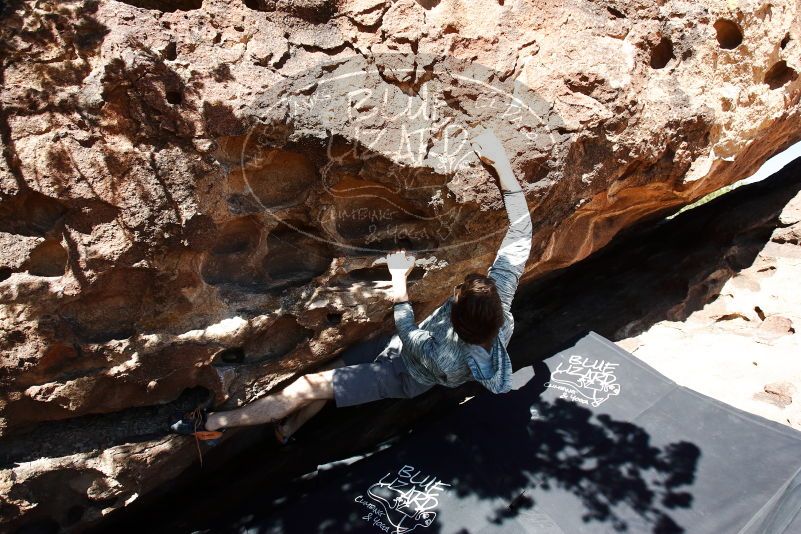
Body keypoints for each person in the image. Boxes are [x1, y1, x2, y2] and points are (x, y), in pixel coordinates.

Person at [170, 129, 533, 444]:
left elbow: (406, 325)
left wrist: (397, 275)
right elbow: (521, 229)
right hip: (401, 351)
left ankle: (211, 424)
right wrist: (500, 163)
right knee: (330, 374)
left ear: (456, 313)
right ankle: (288, 430)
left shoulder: (440, 352)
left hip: (400, 375)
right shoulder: (500, 307)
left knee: (304, 388)